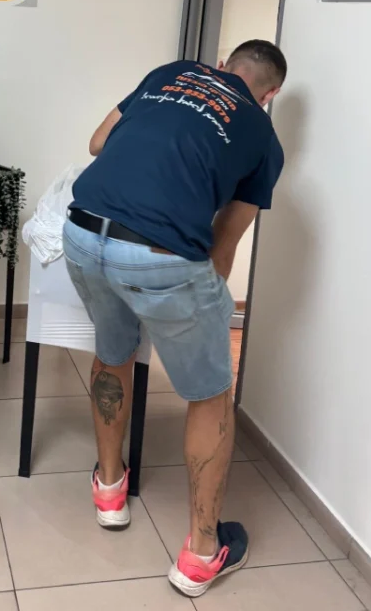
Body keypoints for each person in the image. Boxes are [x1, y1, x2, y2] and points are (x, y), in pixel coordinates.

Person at [63, 40, 286, 598]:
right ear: (271, 94)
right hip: (158, 254)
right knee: (210, 394)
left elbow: (97, 144)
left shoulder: (172, 73)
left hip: (83, 231)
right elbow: (222, 248)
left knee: (113, 352)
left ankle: (109, 492)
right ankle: (202, 555)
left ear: (221, 66)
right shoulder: (264, 138)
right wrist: (192, 307)